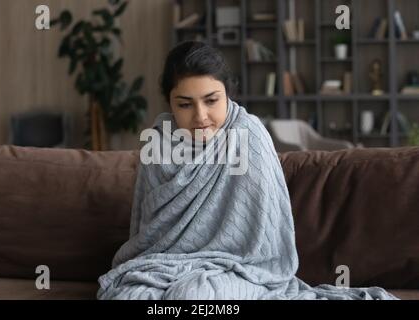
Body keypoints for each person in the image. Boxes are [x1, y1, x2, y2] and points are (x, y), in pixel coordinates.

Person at [97, 41, 398, 300]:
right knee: (130, 294)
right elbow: (149, 231)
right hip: (161, 265)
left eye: (211, 100)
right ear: (170, 104)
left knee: (196, 296)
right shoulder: (160, 139)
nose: (200, 116)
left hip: (242, 270)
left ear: (228, 93)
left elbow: (263, 244)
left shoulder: (248, 135)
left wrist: (208, 268)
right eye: (185, 104)